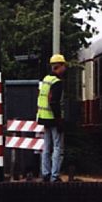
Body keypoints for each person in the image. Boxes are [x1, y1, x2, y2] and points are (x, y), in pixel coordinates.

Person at [37, 54, 68, 182]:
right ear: (58, 67)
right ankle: (54, 176)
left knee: (46, 147)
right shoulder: (57, 83)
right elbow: (54, 102)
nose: (65, 68)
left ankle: (45, 173)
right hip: (53, 119)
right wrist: (59, 120)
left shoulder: (45, 80)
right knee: (57, 148)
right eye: (63, 66)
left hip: (44, 118)